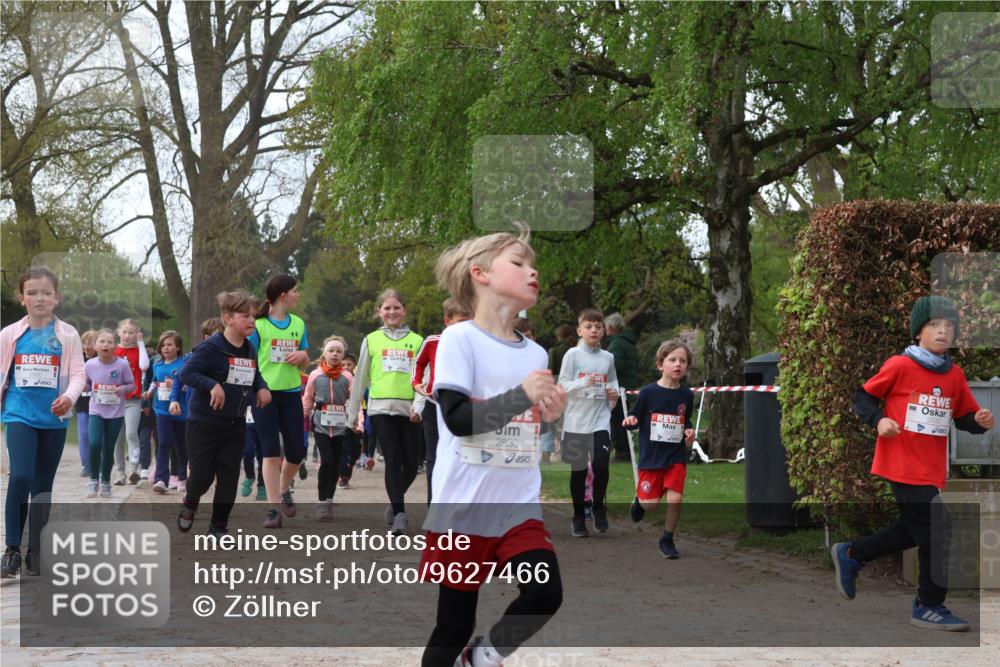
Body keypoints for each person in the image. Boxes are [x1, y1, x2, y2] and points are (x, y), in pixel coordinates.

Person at [420, 229, 566, 667]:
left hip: (517, 504)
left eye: (532, 263)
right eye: (518, 262)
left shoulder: (536, 353)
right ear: (480, 274)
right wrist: (523, 396)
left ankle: (482, 658)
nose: (532, 270)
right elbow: (459, 419)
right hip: (464, 505)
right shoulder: (459, 340)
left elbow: (521, 422)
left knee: (544, 593)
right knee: (454, 626)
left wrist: (551, 412)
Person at [834, 296, 995, 631]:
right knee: (941, 528)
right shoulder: (900, 365)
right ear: (918, 332)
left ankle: (853, 554)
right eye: (935, 325)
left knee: (914, 528)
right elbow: (863, 397)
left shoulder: (954, 374)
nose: (943, 331)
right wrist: (879, 421)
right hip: (901, 463)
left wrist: (979, 420)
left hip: (930, 468)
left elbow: (962, 416)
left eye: (950, 327)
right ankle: (928, 605)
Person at [0, 267, 86, 579]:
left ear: (56, 298)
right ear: (22, 298)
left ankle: (35, 550)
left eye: (46, 293)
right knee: (20, 476)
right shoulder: (9, 334)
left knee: (42, 486)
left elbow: (78, 373)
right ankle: (12, 551)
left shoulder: (67, 335)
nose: (39, 298)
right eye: (32, 292)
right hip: (19, 414)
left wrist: (69, 397)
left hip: (53, 419)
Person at [177, 291, 271, 537]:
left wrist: (261, 387)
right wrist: (211, 385)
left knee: (229, 476)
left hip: (234, 423)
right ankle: (190, 501)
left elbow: (254, 373)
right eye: (245, 315)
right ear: (228, 318)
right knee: (202, 476)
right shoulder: (211, 347)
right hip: (203, 424)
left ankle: (218, 527)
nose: (252, 320)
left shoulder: (249, 348)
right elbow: (186, 374)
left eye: (253, 315)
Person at [345, 289, 424, 535]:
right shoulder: (371, 340)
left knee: (412, 462)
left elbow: (424, 377)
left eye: (396, 307)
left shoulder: (418, 341)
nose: (391, 312)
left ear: (404, 311)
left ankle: (394, 501)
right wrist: (352, 414)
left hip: (409, 409)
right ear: (379, 312)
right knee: (392, 459)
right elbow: (360, 379)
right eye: (386, 308)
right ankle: (400, 513)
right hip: (380, 409)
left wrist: (419, 405)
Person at [623, 340, 696, 559]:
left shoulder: (687, 396)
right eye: (672, 360)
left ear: (687, 367)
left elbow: (686, 420)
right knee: (651, 505)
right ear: (660, 365)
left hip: (675, 456)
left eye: (682, 361)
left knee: (675, 498)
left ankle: (667, 538)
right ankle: (639, 498)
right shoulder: (648, 392)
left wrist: (689, 432)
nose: (677, 364)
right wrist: (631, 420)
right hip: (651, 456)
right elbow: (636, 416)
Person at [249, 274, 311, 528]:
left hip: (291, 394)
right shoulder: (259, 326)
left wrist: (302, 355)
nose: (298, 295)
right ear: (283, 295)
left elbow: (306, 358)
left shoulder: (298, 323)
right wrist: (256, 388)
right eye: (296, 291)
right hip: (265, 395)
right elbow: (249, 360)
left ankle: (284, 488)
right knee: (271, 452)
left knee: (296, 452)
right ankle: (273, 508)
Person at [557, 308, 620, 537]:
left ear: (603, 330)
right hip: (575, 421)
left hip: (600, 419)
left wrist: (614, 394)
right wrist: (582, 383)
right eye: (589, 326)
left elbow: (613, 380)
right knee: (579, 470)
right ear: (579, 330)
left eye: (598, 326)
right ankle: (577, 516)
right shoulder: (572, 355)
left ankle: (598, 507)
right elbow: (562, 384)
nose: (594, 330)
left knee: (602, 463)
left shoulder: (608, 357)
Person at [411, 297, 473, 504]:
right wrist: (417, 383)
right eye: (461, 321)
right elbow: (418, 364)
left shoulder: (477, 343)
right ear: (447, 320)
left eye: (470, 320)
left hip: (464, 406)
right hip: (434, 405)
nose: (466, 326)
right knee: (434, 457)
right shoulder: (432, 342)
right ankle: (434, 505)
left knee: (462, 457)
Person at [302, 336, 353, 520]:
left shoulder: (348, 376)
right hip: (321, 424)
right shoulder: (315, 375)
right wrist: (302, 416)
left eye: (339, 351)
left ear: (343, 355)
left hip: (340, 426)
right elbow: (307, 398)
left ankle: (330, 499)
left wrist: (358, 422)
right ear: (324, 353)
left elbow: (354, 402)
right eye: (331, 350)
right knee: (327, 461)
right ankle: (322, 502)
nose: (335, 354)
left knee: (336, 464)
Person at [84, 329, 137, 499]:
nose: (105, 345)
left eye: (109, 342)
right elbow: (84, 384)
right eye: (102, 341)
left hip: (115, 413)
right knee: (94, 444)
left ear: (115, 346)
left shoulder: (122, 364)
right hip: (96, 410)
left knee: (108, 448)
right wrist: (83, 388)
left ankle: (105, 481)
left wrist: (122, 389)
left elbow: (132, 385)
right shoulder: (90, 365)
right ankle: (93, 480)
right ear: (95, 346)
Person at [150, 331, 188, 494]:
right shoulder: (157, 364)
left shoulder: (184, 364)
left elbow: (190, 385)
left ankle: (182, 478)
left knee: (181, 446)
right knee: (164, 443)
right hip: (161, 410)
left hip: (180, 411)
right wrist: (150, 391)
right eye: (163, 345)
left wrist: (177, 384)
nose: (166, 348)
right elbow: (154, 381)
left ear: (178, 347)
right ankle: (161, 479)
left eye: (170, 344)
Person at [113, 319, 150, 484]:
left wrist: (141, 343)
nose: (127, 335)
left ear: (137, 334)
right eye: (125, 332)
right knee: (117, 438)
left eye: (131, 332)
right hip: (114, 400)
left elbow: (144, 366)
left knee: (131, 433)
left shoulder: (138, 351)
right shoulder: (113, 351)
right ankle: (120, 473)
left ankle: (133, 469)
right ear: (118, 332)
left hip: (133, 399)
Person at [605, 312, 638, 462]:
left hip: (618, 388)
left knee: (617, 421)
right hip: (628, 385)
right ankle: (626, 451)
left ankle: (621, 452)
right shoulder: (628, 342)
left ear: (611, 327)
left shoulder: (617, 343)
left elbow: (615, 365)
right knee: (624, 420)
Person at [541, 324, 574, 463]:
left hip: (556, 392)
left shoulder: (553, 351)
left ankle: (546, 454)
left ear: (558, 336)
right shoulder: (575, 351)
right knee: (568, 424)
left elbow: (550, 373)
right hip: (572, 392)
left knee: (549, 424)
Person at [337, 352, 362, 487]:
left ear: (354, 365)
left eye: (349, 364)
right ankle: (343, 476)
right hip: (341, 420)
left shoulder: (359, 380)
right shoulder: (336, 379)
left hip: (357, 420)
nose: (346, 367)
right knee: (344, 448)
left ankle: (349, 467)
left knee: (355, 450)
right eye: (343, 364)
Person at [75, 330, 97, 477]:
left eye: (91, 343)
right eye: (84, 343)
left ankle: (97, 462)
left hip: (98, 405)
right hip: (82, 403)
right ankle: (86, 464)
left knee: (96, 436)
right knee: (83, 434)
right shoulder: (78, 360)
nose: (87, 346)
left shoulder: (102, 360)